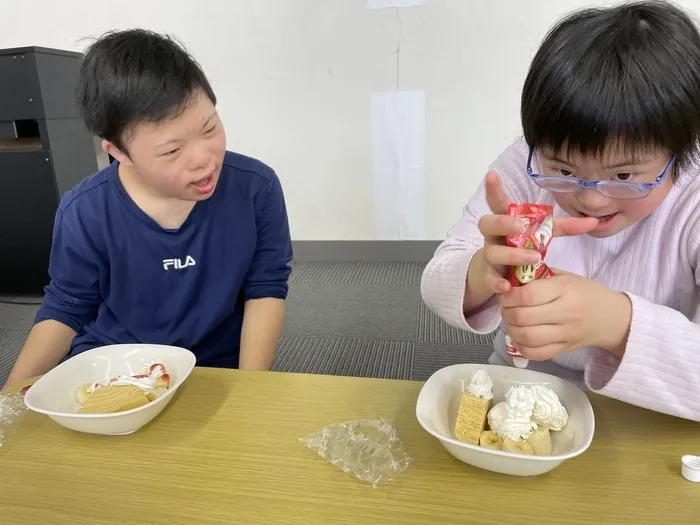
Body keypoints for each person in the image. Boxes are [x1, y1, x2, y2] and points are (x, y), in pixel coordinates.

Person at [421, 1, 700, 421]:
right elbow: (439, 274)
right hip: (522, 389)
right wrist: (482, 272)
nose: (590, 199)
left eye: (624, 176)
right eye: (564, 170)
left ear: (682, 149)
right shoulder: (526, 163)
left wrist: (619, 324)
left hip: (655, 412)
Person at [5, 29, 292, 386]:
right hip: (116, 365)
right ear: (119, 153)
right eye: (172, 150)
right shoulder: (86, 209)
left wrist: (253, 389)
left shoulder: (256, 188)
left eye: (209, 128)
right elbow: (67, 306)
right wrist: (10, 396)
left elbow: (265, 289)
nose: (204, 160)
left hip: (217, 367)